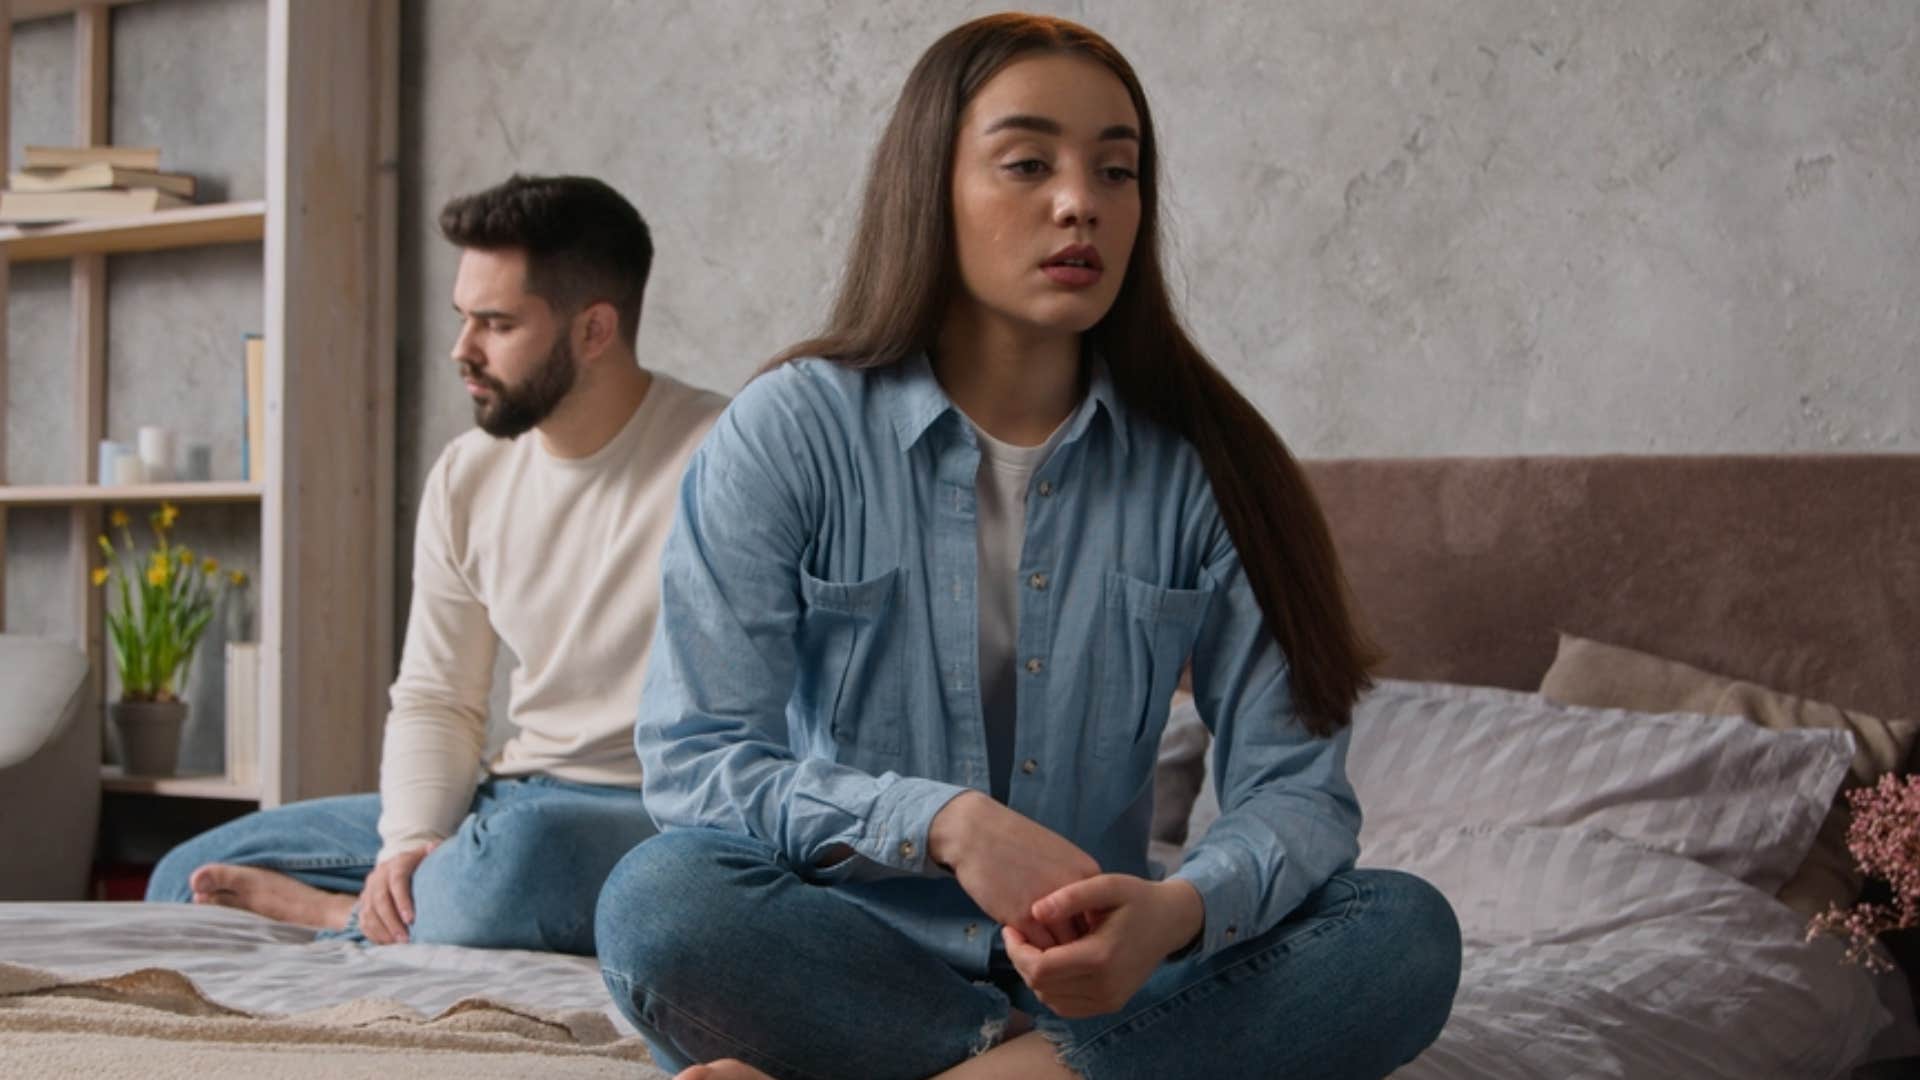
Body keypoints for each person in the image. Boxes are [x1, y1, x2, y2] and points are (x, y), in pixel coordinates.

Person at [595, 13, 1460, 1080]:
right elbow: (698, 761)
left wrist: (1175, 915)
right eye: (1027, 163)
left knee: (1401, 931)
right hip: (853, 952)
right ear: (933, 186)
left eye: (1117, 170)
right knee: (660, 902)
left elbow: (1298, 791)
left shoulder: (1207, 461)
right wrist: (944, 825)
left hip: (1112, 973)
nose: (1080, 202)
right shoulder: (791, 430)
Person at [145, 175, 729, 956]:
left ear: (594, 330)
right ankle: (412, 901)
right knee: (183, 874)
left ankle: (337, 919)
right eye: (463, 318)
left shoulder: (724, 456)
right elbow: (437, 697)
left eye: (496, 324)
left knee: (519, 862)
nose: (463, 350)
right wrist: (410, 843)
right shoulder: (469, 472)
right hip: (510, 797)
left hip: (648, 810)